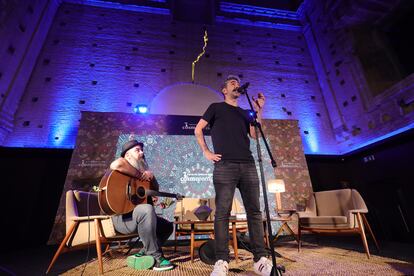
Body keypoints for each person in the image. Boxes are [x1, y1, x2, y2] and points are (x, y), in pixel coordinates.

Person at [194, 75, 273, 276]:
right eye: (232, 83)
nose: (237, 85)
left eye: (238, 83)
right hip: (225, 165)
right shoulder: (215, 107)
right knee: (222, 213)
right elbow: (198, 129)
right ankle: (221, 260)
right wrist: (206, 151)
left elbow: (254, 134)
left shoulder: (244, 112)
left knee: (254, 211)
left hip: (247, 164)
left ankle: (260, 259)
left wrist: (259, 109)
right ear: (224, 90)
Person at [110, 140, 175, 271]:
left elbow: (155, 189)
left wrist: (151, 176)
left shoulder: (141, 176)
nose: (142, 152)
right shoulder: (122, 165)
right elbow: (115, 164)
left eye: (142, 150)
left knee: (167, 227)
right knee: (146, 209)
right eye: (137, 150)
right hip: (122, 220)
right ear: (127, 155)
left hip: (138, 218)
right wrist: (140, 174)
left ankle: (145, 251)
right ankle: (155, 257)